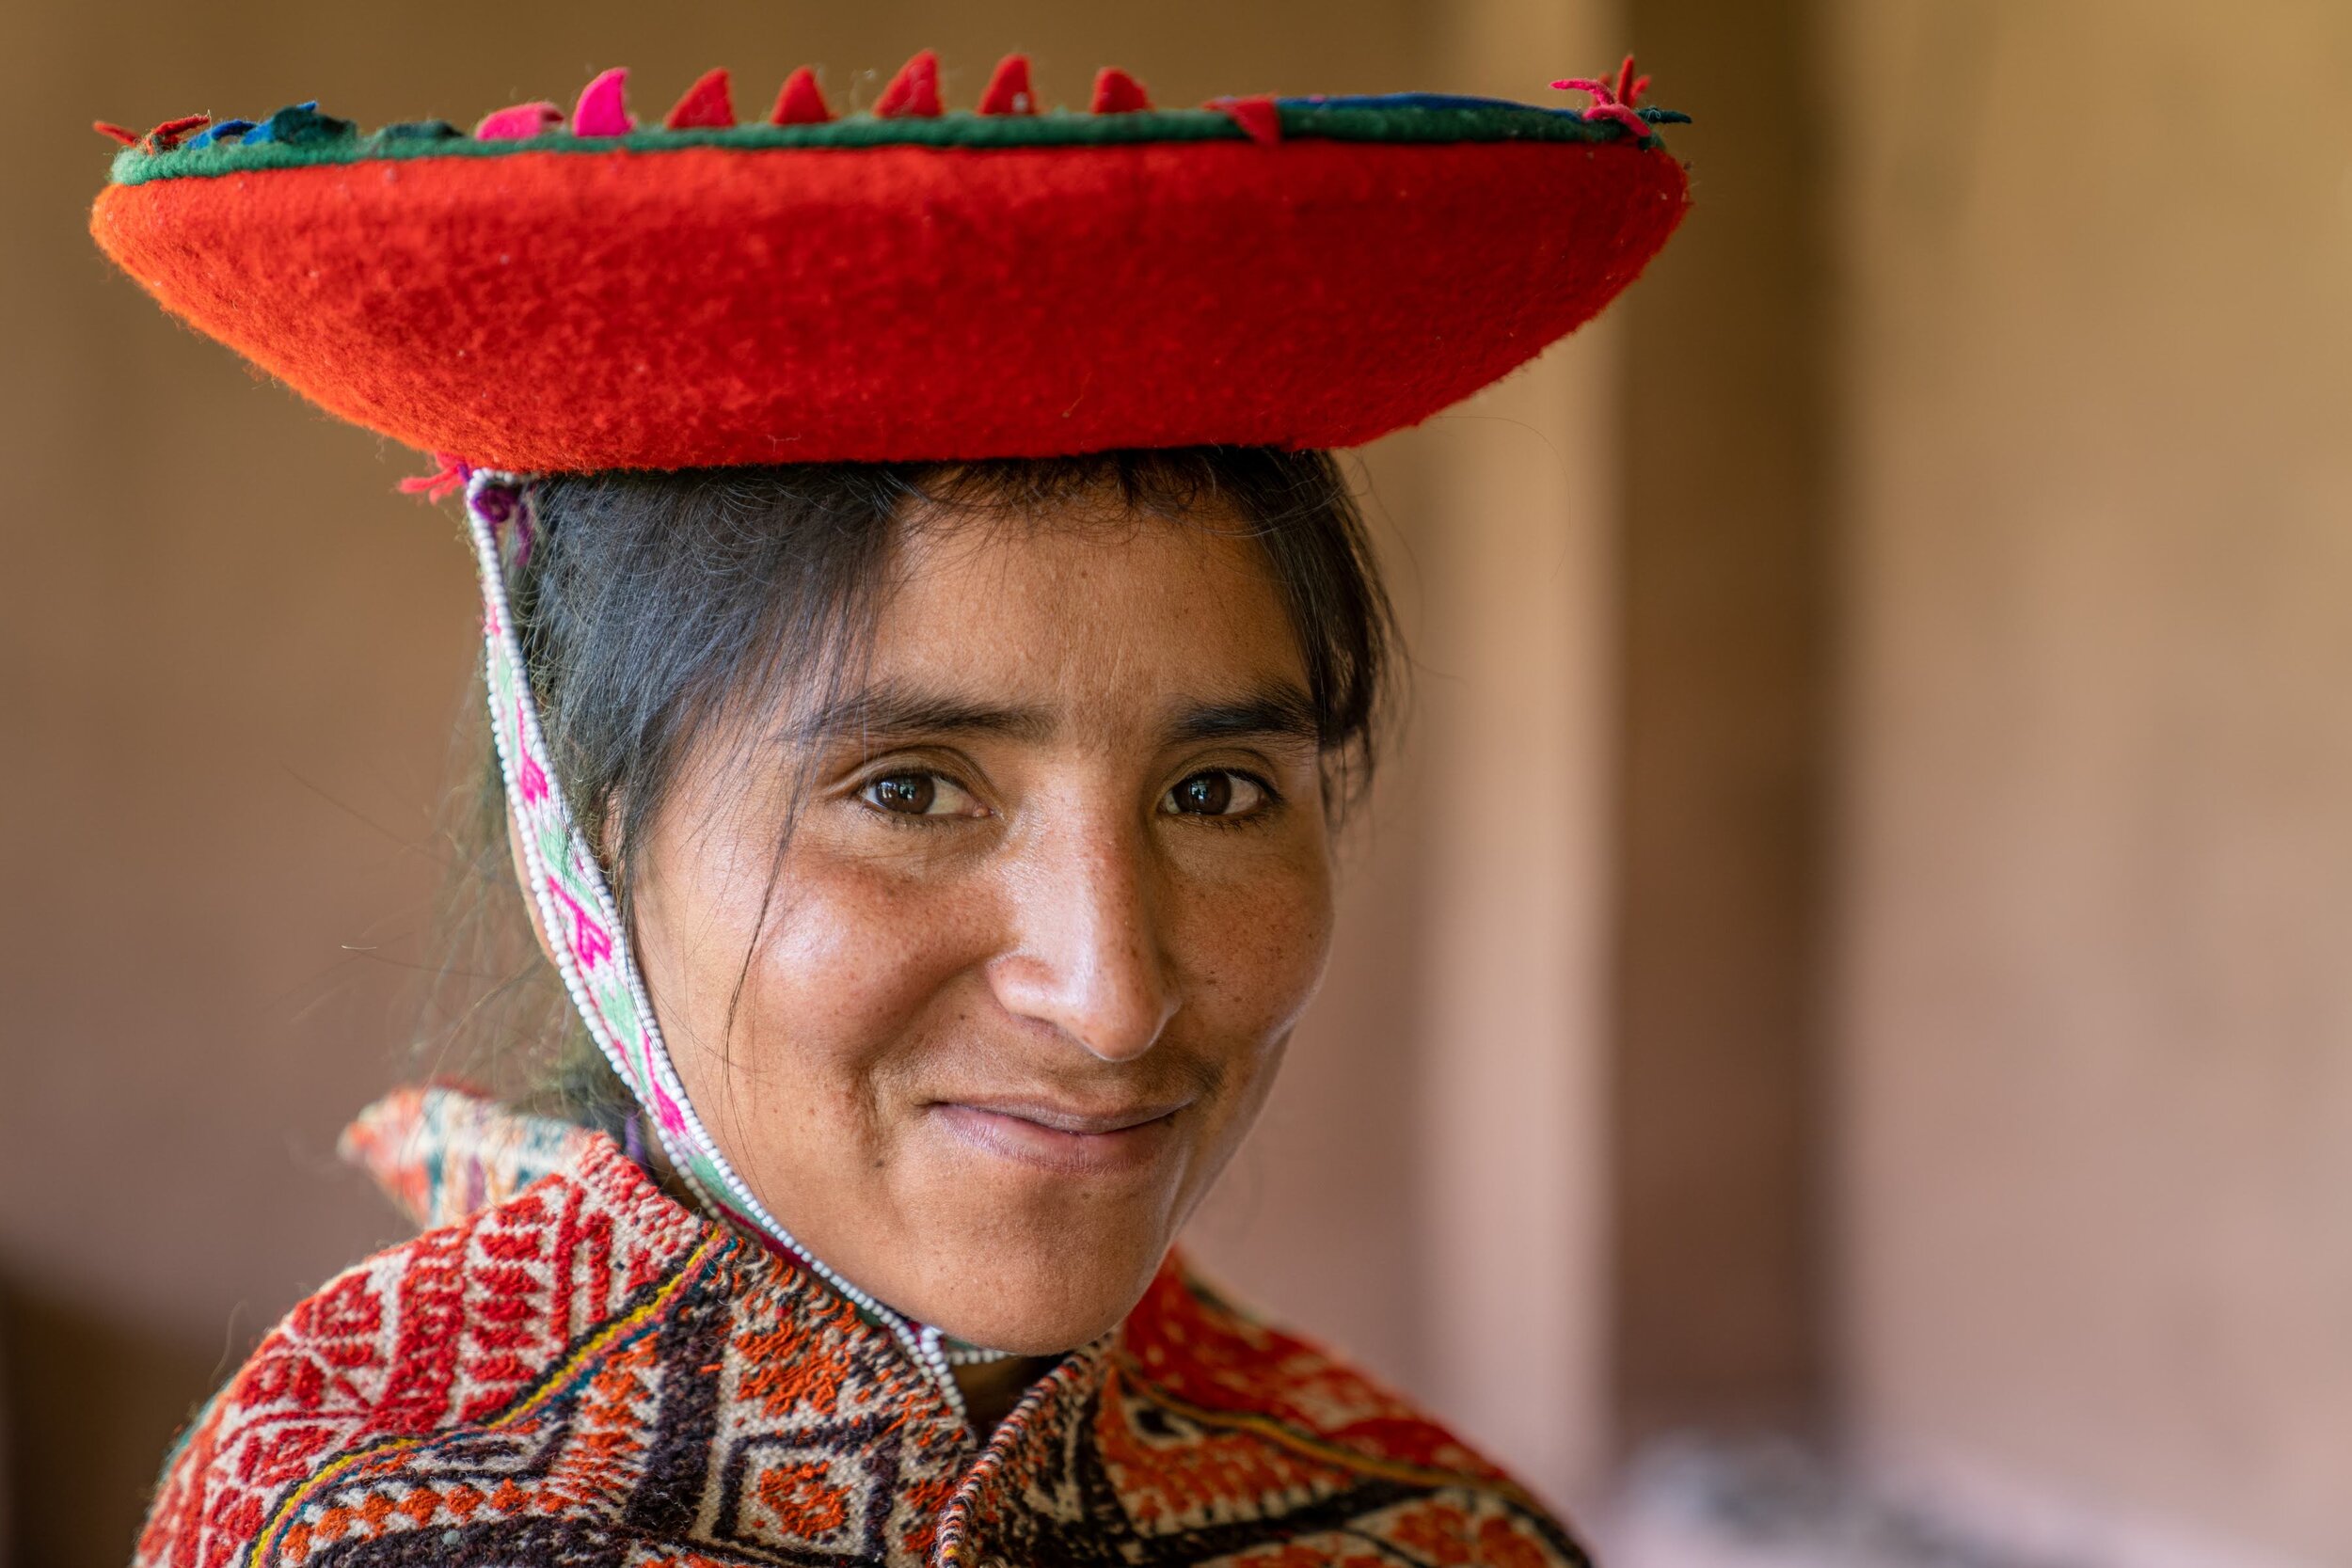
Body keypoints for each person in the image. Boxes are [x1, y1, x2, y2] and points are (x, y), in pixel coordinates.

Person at [91, 51, 1687, 1567]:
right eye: (912, 792)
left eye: (1215, 791)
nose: (1114, 995)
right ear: (587, 829)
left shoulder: (1429, 1534)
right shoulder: (368, 1534)